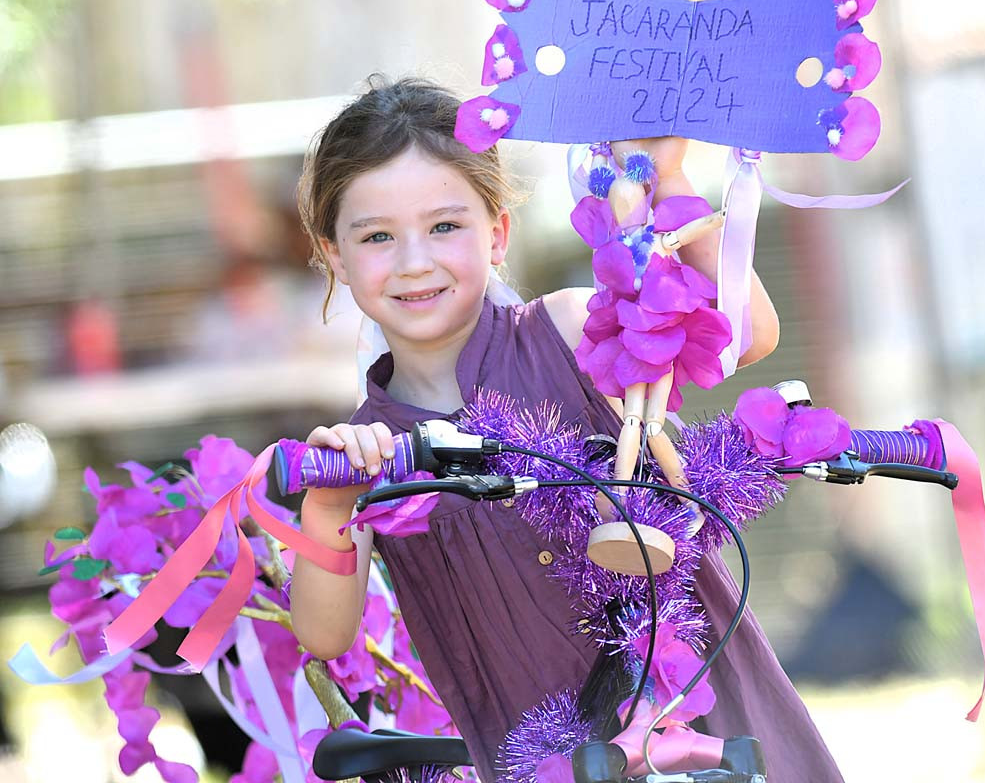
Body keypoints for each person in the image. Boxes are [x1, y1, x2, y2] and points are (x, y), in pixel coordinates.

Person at [289, 76, 843, 783]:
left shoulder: (573, 328)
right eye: (376, 237)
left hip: (707, 732)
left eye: (445, 226)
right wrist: (331, 504)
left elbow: (745, 333)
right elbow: (326, 634)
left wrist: (668, 177)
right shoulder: (365, 453)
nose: (415, 261)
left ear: (498, 233)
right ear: (334, 255)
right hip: (547, 763)